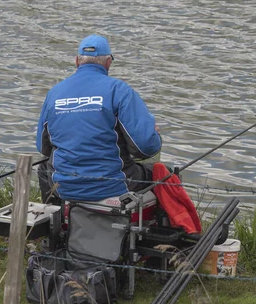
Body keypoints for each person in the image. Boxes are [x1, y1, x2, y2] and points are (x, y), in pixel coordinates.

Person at [36, 34, 162, 202]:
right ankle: (173, 227)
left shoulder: (54, 93)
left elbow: (43, 148)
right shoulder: (120, 91)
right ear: (108, 62)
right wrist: (155, 136)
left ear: (77, 61)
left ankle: (56, 222)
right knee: (164, 173)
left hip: (63, 186)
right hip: (113, 185)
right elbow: (145, 148)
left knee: (44, 167)